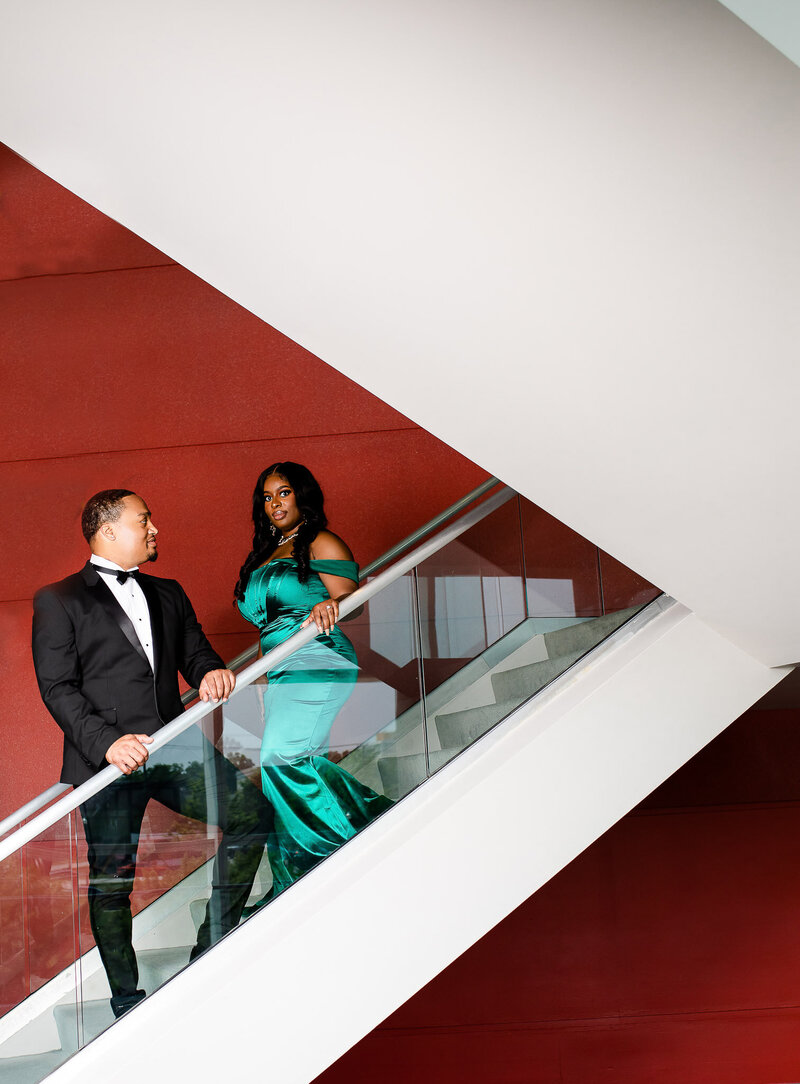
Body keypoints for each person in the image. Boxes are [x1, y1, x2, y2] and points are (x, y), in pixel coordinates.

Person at [32, 489, 273, 1018]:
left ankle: (212, 942)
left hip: (174, 749)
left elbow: (194, 648)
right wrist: (106, 743)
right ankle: (126, 999)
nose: (154, 527)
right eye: (143, 519)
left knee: (253, 815)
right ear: (108, 529)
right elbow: (58, 687)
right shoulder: (59, 599)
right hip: (106, 766)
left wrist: (210, 668)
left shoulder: (168, 591)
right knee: (111, 882)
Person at [234, 462, 392, 896]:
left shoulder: (319, 540)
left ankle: (352, 838)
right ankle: (295, 871)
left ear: (302, 495)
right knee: (284, 769)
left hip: (319, 658)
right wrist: (265, 682)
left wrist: (333, 607)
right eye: (267, 497)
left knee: (278, 760)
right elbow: (267, 629)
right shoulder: (266, 552)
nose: (275, 504)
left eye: (283, 493)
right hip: (281, 669)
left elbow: (351, 599)